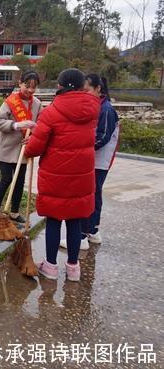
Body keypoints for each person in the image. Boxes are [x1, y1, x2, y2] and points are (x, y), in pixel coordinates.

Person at [25, 69, 100, 282]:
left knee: (54, 220)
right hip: (82, 176)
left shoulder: (52, 112)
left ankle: (50, 266)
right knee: (75, 222)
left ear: (61, 86)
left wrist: (29, 145)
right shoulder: (93, 110)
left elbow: (35, 148)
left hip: (57, 176)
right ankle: (73, 267)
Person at [60, 74, 119, 250]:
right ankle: (92, 231)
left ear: (98, 89)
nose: (84, 94)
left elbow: (102, 137)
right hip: (92, 160)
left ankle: (82, 237)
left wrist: (80, 148)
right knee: (94, 195)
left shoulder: (106, 109)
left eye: (87, 90)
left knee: (88, 197)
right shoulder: (98, 107)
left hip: (98, 161)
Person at [0, 71, 42, 224]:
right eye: (27, 86)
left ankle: (14, 212)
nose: (30, 90)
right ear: (20, 83)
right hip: (6, 148)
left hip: (23, 149)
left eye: (34, 87)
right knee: (6, 179)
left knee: (20, 181)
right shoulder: (10, 101)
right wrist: (16, 124)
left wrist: (34, 135)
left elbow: (41, 125)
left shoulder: (37, 104)